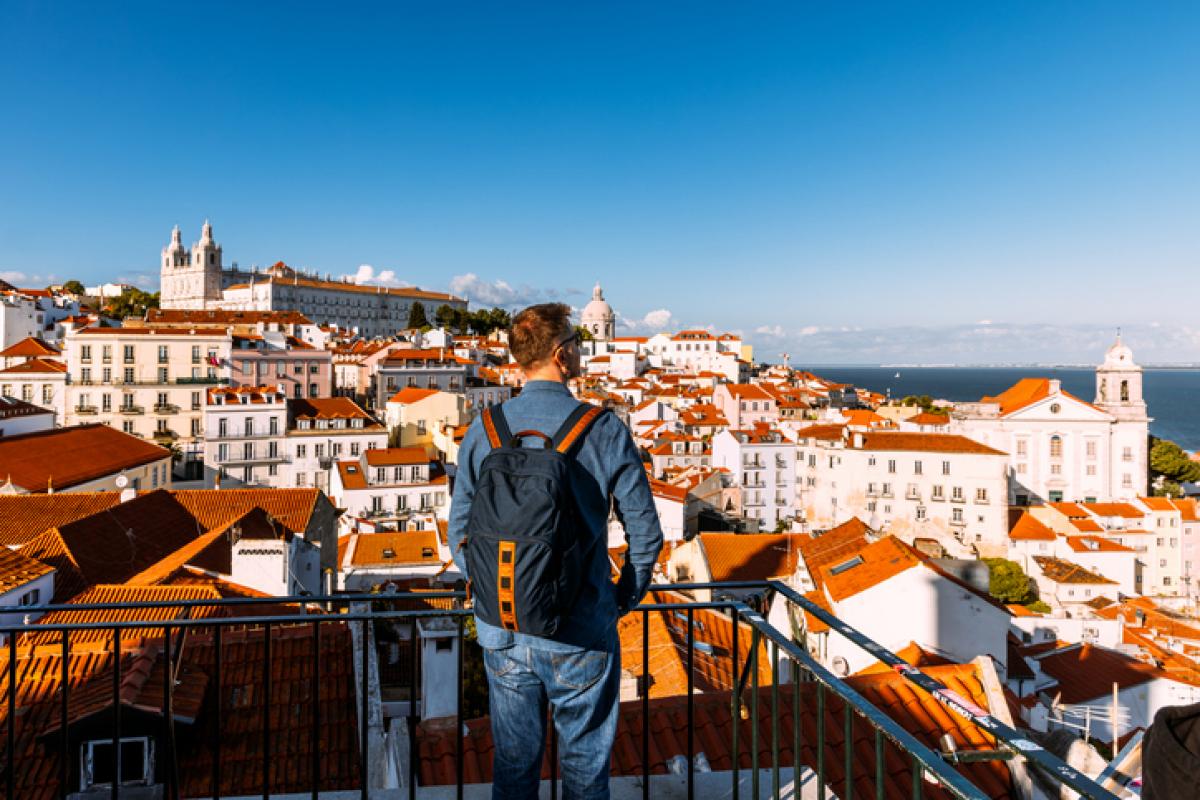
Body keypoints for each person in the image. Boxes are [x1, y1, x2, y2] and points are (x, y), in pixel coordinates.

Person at [448, 302, 664, 800]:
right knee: (586, 771)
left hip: (502, 626)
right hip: (581, 628)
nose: (582, 349)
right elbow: (646, 536)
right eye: (576, 342)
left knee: (515, 765)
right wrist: (617, 598)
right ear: (562, 356)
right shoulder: (604, 429)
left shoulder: (486, 427)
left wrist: (498, 585)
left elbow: (459, 530)